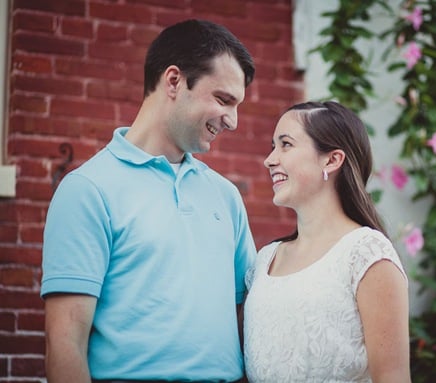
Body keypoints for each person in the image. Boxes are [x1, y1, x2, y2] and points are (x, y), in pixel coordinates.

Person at [41, 19, 256, 383]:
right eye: (223, 100)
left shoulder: (226, 196)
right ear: (173, 81)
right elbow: (65, 344)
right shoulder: (87, 189)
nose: (232, 121)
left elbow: (247, 318)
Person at [243, 101, 411, 383]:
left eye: (286, 145)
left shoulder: (367, 254)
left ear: (331, 160)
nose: (270, 159)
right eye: (273, 146)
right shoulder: (265, 260)